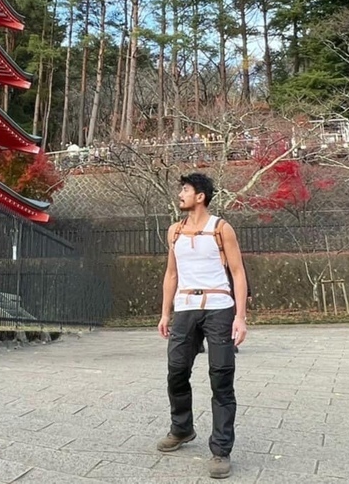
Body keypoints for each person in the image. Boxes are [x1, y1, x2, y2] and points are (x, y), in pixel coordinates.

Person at [156, 172, 247, 480]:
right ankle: (182, 428)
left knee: (221, 377)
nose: (180, 194)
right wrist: (165, 313)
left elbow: (238, 273)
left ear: (201, 196)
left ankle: (221, 449)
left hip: (219, 308)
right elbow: (171, 274)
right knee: (176, 371)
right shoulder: (175, 231)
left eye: (185, 189)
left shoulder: (221, 228)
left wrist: (241, 316)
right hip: (184, 309)